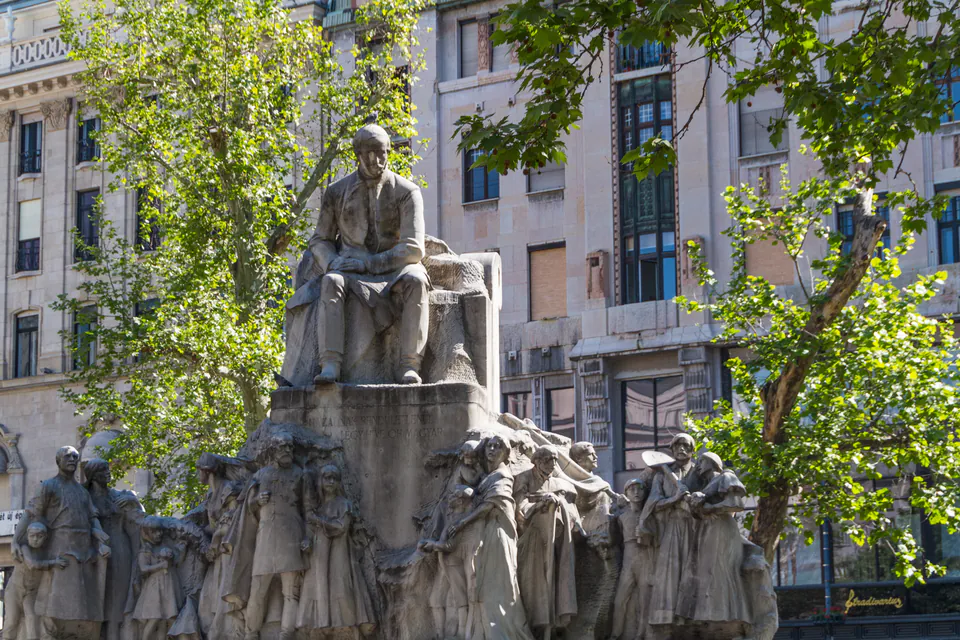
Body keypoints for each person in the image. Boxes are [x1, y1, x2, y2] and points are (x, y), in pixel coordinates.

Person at [284, 122, 429, 385]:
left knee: (417, 281)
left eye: (382, 152)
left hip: (394, 267)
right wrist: (333, 261)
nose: (377, 159)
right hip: (349, 268)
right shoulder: (336, 192)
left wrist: (372, 264)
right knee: (331, 281)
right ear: (357, 156)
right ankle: (330, 364)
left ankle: (410, 364)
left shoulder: (408, 192)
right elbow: (320, 240)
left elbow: (414, 248)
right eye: (369, 153)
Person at [13, 446, 110, 640]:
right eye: (68, 456)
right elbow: (32, 513)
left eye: (75, 457)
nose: (72, 460)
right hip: (61, 547)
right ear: (58, 461)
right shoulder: (49, 485)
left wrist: (100, 535)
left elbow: (93, 517)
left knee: (84, 602)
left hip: (85, 550)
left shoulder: (83, 492)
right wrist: (16, 539)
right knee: (56, 599)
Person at [444, 435, 534, 640]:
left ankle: (502, 632)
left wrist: (462, 522)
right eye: (489, 446)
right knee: (484, 584)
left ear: (505, 452)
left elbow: (488, 505)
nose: (492, 450)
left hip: (499, 533)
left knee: (499, 584)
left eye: (498, 447)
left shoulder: (502, 475)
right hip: (487, 533)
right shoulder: (486, 475)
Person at [238, 434, 309, 640]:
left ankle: (286, 634)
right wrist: (257, 502)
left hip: (292, 538)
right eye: (281, 447)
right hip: (266, 539)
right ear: (273, 450)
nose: (286, 450)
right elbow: (246, 507)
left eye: (289, 446)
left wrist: (308, 536)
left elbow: (309, 509)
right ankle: (251, 633)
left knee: (291, 593)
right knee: (258, 591)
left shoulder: (300, 475)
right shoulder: (261, 475)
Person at [298, 464, 376, 638]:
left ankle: (345, 627)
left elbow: (342, 526)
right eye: (327, 477)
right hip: (318, 554)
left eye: (334, 477)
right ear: (320, 480)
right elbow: (310, 531)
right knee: (318, 588)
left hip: (339, 552)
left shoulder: (344, 504)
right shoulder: (316, 507)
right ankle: (320, 626)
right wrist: (306, 542)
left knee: (341, 586)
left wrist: (319, 520)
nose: (330, 481)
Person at [676, 452, 751, 629]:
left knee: (721, 569)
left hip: (721, 528)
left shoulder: (726, 477)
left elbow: (736, 503)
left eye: (702, 460)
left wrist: (710, 507)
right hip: (706, 530)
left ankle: (729, 615)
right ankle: (711, 615)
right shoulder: (706, 485)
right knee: (706, 571)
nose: (698, 464)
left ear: (713, 462)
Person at [514, 445, 581, 639]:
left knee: (555, 580)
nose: (552, 464)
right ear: (537, 461)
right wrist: (541, 503)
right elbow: (520, 507)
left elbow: (572, 511)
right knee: (533, 583)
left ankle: (552, 627)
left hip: (556, 539)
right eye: (547, 460)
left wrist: (561, 505)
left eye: (554, 460)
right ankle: (535, 625)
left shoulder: (560, 483)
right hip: (533, 537)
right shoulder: (525, 478)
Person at [643, 433, 701, 631]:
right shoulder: (662, 475)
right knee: (672, 571)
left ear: (693, 450)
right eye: (676, 446)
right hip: (672, 526)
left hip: (696, 526)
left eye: (685, 446)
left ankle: (694, 613)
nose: (680, 450)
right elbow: (654, 503)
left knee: (694, 569)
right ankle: (671, 616)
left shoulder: (699, 472)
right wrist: (674, 499)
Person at [83, 458, 144, 640]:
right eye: (102, 470)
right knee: (98, 599)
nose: (108, 472)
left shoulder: (120, 495)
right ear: (93, 476)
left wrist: (133, 501)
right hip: (96, 552)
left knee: (119, 598)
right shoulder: (85, 498)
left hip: (121, 550)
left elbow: (140, 517)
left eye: (107, 468)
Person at [419, 485, 480, 639]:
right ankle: (440, 634)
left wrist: (432, 545)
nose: (450, 498)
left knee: (460, 600)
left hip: (453, 564)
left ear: (460, 501)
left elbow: (449, 545)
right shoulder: (454, 518)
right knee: (436, 599)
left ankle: (461, 633)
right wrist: (429, 544)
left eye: (454, 496)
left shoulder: (458, 521)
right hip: (445, 564)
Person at [3, 523, 67, 640]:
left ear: (46, 537)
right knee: (12, 621)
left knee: (32, 618)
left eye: (39, 536)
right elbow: (32, 564)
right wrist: (54, 563)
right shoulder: (24, 548)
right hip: (15, 590)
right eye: (32, 536)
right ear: (27, 536)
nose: (35, 539)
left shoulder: (46, 552)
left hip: (31, 592)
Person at [611, 478, 656, 640]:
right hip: (628, 560)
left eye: (639, 489)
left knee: (646, 601)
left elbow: (658, 541)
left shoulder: (650, 515)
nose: (636, 493)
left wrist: (647, 535)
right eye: (632, 490)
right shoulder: (621, 517)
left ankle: (641, 634)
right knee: (619, 600)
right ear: (626, 494)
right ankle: (615, 633)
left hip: (646, 559)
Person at [132, 517, 183, 640]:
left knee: (166, 618)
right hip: (154, 587)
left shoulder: (164, 547)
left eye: (160, 531)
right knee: (154, 618)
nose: (159, 534)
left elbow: (176, 563)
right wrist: (161, 566)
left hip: (167, 586)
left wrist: (183, 549)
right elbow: (143, 568)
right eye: (154, 532)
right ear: (147, 533)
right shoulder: (145, 549)